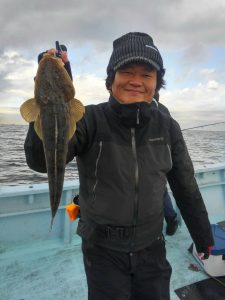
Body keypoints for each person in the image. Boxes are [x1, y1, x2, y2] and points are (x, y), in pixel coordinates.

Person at [24, 32, 214, 300]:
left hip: (152, 248)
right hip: (101, 251)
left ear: (157, 82)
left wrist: (202, 232)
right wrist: (53, 103)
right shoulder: (89, 119)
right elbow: (41, 161)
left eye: (147, 74)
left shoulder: (168, 127)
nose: (136, 81)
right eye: (126, 71)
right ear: (111, 78)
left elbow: (185, 185)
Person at [152, 92, 178, 236]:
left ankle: (170, 219)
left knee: (159, 190)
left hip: (155, 158)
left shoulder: (152, 109)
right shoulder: (164, 109)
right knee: (161, 190)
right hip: (166, 158)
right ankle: (171, 218)